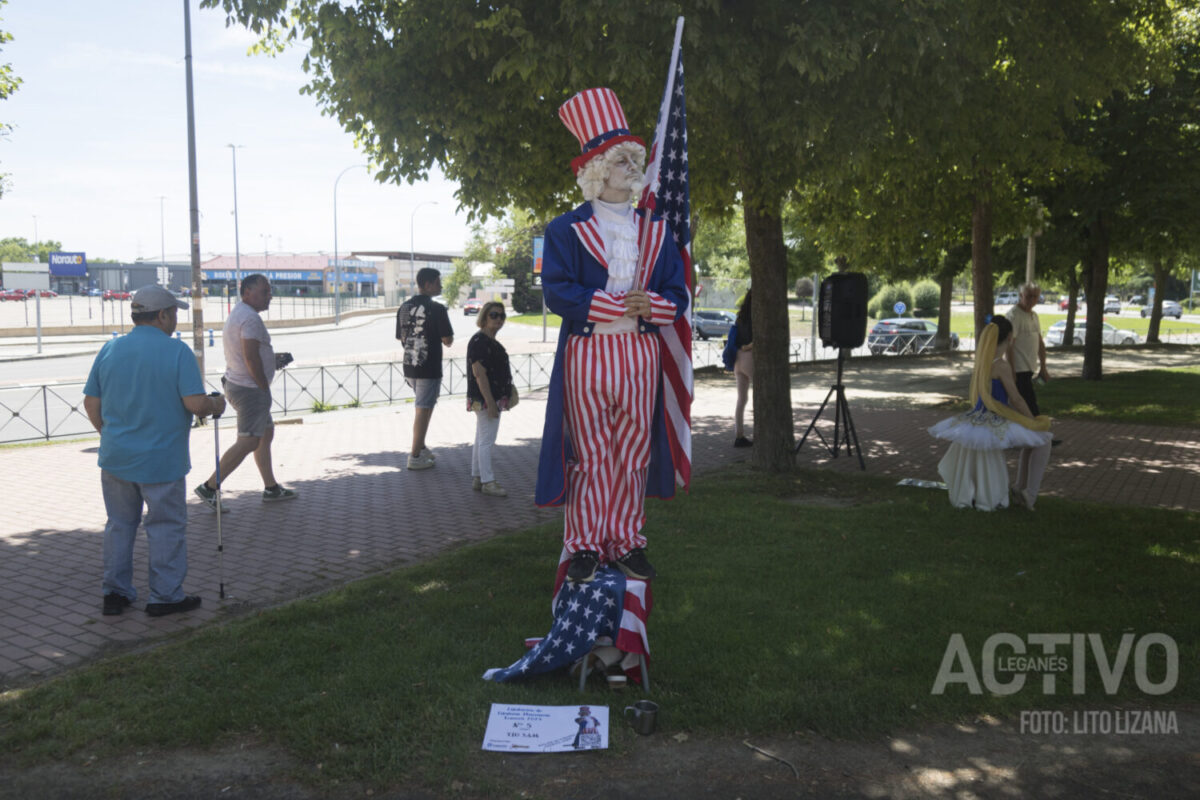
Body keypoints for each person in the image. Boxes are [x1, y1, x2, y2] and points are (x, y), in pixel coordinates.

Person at [536, 87, 689, 583]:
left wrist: (655, 307)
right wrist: (616, 304)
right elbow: (558, 292)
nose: (631, 166)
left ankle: (626, 539)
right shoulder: (564, 231)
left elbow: (677, 293)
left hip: (639, 352)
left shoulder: (658, 230)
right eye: (621, 159)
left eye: (633, 158)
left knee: (634, 449)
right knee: (591, 451)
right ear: (596, 169)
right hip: (589, 352)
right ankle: (583, 542)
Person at [83, 285, 225, 617]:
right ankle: (165, 596)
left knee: (119, 525)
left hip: (117, 457)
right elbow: (195, 404)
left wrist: (109, 434)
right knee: (165, 527)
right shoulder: (177, 352)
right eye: (174, 313)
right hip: (161, 459)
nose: (176, 320)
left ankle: (115, 593)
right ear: (162, 315)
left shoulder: (111, 348)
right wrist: (216, 403)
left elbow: (91, 402)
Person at [928, 316, 1053, 510]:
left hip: (977, 418)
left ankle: (1020, 488)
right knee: (1043, 441)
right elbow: (1016, 399)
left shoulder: (982, 362)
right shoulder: (1001, 366)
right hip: (995, 420)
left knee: (1034, 442)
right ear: (1010, 337)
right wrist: (1032, 420)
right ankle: (1028, 492)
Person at [195, 273, 297, 509]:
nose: (269, 296)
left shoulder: (241, 313)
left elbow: (249, 354)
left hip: (241, 384)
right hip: (250, 390)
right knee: (248, 441)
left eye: (269, 291)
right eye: (265, 291)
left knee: (265, 434)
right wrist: (262, 385)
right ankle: (209, 487)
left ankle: (271, 487)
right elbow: (250, 357)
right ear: (247, 292)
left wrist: (271, 360)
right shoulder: (250, 319)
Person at [396, 267, 454, 470]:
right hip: (428, 365)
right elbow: (447, 340)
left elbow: (401, 338)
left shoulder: (403, 307)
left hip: (409, 365)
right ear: (428, 284)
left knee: (425, 406)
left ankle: (421, 447)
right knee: (422, 409)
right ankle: (415, 455)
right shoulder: (437, 309)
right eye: (438, 282)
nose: (441, 286)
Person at [467, 301, 515, 497]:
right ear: (484, 317)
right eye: (494, 315)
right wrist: (491, 402)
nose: (498, 319)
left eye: (502, 316)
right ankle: (488, 481)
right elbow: (479, 374)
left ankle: (478, 477)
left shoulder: (488, 341)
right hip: (487, 398)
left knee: (481, 438)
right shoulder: (480, 342)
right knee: (487, 440)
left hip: (489, 397)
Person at [731, 290, 754, 448]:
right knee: (760, 395)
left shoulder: (740, 317)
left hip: (737, 359)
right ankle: (761, 433)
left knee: (741, 400)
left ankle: (739, 435)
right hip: (749, 357)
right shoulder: (756, 318)